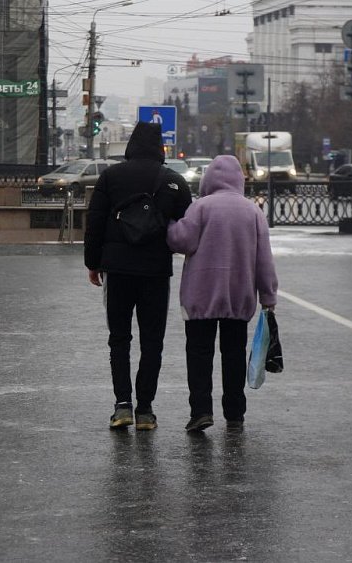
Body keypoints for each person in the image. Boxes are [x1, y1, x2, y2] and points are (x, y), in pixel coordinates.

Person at [84, 122, 192, 431]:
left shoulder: (111, 177)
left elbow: (95, 222)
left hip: (117, 270)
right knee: (152, 341)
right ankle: (145, 409)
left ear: (131, 144)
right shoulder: (172, 181)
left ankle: (122, 407)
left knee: (119, 338)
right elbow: (187, 227)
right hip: (156, 272)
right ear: (160, 147)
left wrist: (94, 263)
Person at [167, 155, 278, 433]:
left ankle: (201, 410)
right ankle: (235, 411)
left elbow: (182, 241)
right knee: (233, 355)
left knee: (199, 354)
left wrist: (169, 225)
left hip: (200, 297)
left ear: (209, 180)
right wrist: (268, 296)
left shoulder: (201, 207)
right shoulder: (252, 212)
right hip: (238, 298)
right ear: (239, 179)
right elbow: (264, 259)